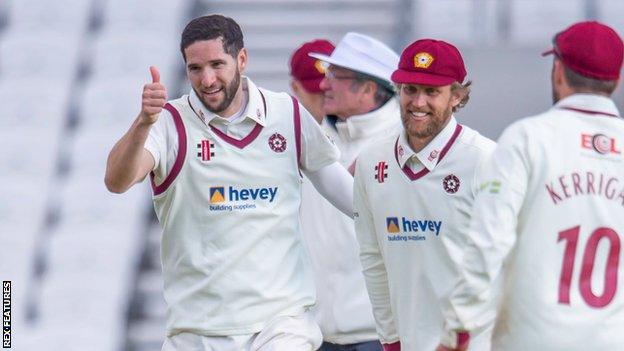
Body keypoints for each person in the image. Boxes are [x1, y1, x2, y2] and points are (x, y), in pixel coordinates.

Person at [104, 15, 354, 351]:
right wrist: (143, 123)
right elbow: (117, 182)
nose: (207, 79)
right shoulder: (168, 123)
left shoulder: (287, 114)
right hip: (196, 332)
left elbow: (350, 197)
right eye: (195, 69)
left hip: (279, 326)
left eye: (217, 65)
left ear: (242, 59)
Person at [437, 21, 624, 351]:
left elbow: (488, 244)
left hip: (534, 338)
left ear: (558, 71)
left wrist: (458, 331)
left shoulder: (526, 139)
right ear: (617, 79)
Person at [353, 38, 497, 351]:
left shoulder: (486, 160)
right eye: (410, 89)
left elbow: (505, 265)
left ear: (457, 96)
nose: (418, 103)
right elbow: (373, 258)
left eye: (432, 92)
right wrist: (390, 339)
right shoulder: (370, 162)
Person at [293, 33, 401, 351]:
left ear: (368, 89)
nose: (324, 85)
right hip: (312, 338)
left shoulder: (406, 146)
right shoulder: (314, 140)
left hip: (380, 340)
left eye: (335, 77)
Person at [289, 39, 335, 123]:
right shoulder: (284, 133)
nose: (327, 94)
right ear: (295, 87)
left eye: (333, 86)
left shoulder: (361, 131)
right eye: (316, 89)